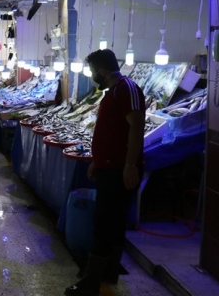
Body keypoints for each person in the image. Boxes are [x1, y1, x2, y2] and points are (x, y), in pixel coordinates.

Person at [65, 49, 145, 296]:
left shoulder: (127, 88)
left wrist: (130, 166)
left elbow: (137, 127)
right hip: (108, 168)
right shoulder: (113, 91)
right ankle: (109, 271)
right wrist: (97, 161)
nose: (91, 76)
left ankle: (91, 282)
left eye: (92, 71)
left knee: (104, 223)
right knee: (113, 221)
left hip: (119, 171)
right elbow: (111, 132)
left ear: (102, 71)